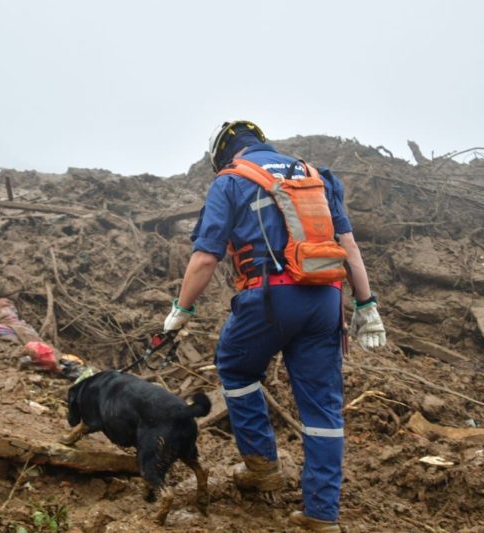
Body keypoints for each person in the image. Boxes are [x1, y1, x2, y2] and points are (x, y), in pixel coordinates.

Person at [163, 120, 386, 531]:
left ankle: (262, 467)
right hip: (326, 300)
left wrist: (181, 310)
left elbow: (206, 257)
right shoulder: (316, 176)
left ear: (223, 154)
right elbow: (349, 246)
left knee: (235, 367)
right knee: (322, 408)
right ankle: (322, 514)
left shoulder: (231, 181)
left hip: (270, 298)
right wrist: (366, 305)